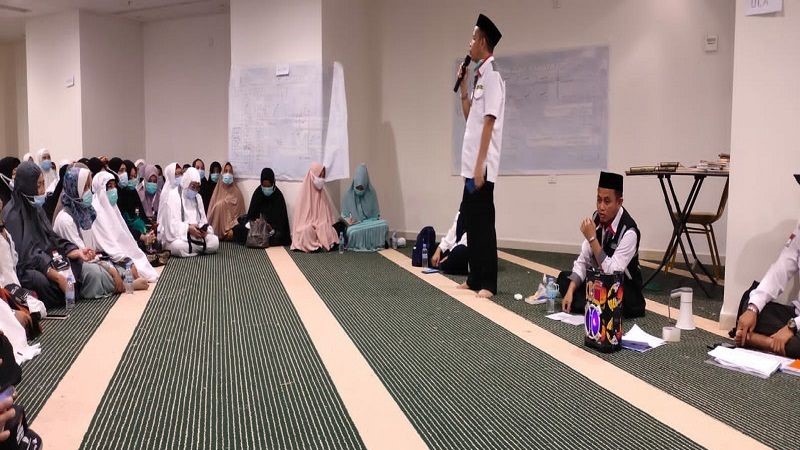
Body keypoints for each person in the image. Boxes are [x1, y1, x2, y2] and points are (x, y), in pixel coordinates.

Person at [455, 14, 505, 298]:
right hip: (471, 166)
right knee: (471, 221)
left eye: (473, 38)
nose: (470, 43)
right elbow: (471, 119)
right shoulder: (479, 77)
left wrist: (479, 166)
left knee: (484, 223)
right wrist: (463, 89)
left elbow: (488, 123)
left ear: (483, 41)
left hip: (481, 166)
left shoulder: (493, 77)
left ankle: (488, 283)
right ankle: (474, 278)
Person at [556, 172, 646, 319]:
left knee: (608, 298)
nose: (601, 207)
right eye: (599, 200)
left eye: (607, 201)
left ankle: (593, 305)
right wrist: (570, 291)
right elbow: (583, 260)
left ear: (619, 202)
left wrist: (592, 239)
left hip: (622, 290)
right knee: (565, 278)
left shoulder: (629, 232)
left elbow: (612, 273)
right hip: (599, 283)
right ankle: (592, 304)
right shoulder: (596, 218)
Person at [2, 162, 91, 308]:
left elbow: (52, 237)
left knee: (75, 263)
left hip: (47, 260)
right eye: (39, 185)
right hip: (28, 267)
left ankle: (65, 291)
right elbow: (25, 256)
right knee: (38, 280)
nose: (43, 190)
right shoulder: (13, 215)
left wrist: (74, 250)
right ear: (27, 186)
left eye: (44, 184)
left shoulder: (36, 208)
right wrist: (53, 273)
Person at [733, 174, 800, 358]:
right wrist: (753, 308)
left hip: (796, 323)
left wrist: (792, 327)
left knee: (796, 343)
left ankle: (759, 340)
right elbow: (781, 268)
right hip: (795, 313)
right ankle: (774, 341)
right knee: (749, 302)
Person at [52, 167, 127, 298]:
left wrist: (109, 265)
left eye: (89, 187)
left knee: (118, 266)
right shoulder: (65, 219)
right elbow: (83, 255)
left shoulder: (85, 212)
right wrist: (110, 269)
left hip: (89, 258)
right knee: (95, 273)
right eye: (85, 187)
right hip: (73, 264)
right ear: (75, 189)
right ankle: (124, 284)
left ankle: (117, 282)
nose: (89, 192)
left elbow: (92, 250)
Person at [88, 171, 159, 282]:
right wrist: (125, 259)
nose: (113, 190)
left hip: (120, 250)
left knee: (140, 258)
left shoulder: (113, 207)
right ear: (101, 188)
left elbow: (124, 233)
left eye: (114, 186)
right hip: (108, 254)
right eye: (109, 186)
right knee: (132, 269)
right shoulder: (96, 210)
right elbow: (106, 243)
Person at [159, 167, 219, 257]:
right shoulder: (174, 196)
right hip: (181, 237)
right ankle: (200, 248)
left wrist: (204, 230)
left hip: (197, 237)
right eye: (193, 186)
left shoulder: (198, 197)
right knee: (177, 246)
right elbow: (171, 225)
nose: (195, 190)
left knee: (215, 241)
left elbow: (203, 221)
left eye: (197, 187)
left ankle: (193, 249)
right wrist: (188, 228)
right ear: (186, 183)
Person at [234, 168, 291, 246]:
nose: (266, 188)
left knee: (279, 236)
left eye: (269, 186)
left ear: (273, 183)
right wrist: (256, 222)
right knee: (238, 229)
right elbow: (251, 216)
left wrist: (270, 227)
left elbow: (281, 223)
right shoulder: (258, 193)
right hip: (257, 229)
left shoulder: (278, 196)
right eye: (264, 186)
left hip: (272, 232)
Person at [290, 162, 338, 253]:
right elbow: (300, 222)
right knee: (306, 231)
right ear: (312, 176)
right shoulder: (303, 194)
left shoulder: (323, 194)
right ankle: (317, 245)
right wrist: (312, 224)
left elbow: (327, 218)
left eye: (323, 176)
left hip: (319, 224)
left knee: (326, 228)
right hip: (307, 225)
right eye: (319, 176)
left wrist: (319, 225)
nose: (321, 179)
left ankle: (321, 243)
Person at [340, 164, 388, 252]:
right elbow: (343, 216)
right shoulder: (348, 194)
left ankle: (375, 242)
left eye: (362, 188)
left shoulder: (371, 193)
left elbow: (376, 216)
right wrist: (348, 220)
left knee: (384, 224)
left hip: (369, 223)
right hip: (355, 225)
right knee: (351, 231)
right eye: (357, 187)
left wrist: (371, 220)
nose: (359, 190)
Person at [207, 162, 245, 241]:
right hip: (216, 232)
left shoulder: (237, 193)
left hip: (232, 231)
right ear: (222, 174)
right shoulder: (217, 191)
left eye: (230, 172)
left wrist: (232, 228)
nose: (228, 174)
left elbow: (240, 217)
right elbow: (210, 214)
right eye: (226, 171)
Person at [431, 210, 469, 275]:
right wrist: (438, 250)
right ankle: (440, 264)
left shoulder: (480, 215)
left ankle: (442, 265)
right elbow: (451, 233)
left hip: (467, 252)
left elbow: (467, 241)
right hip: (453, 249)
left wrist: (449, 256)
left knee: (459, 250)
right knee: (433, 246)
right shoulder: (460, 213)